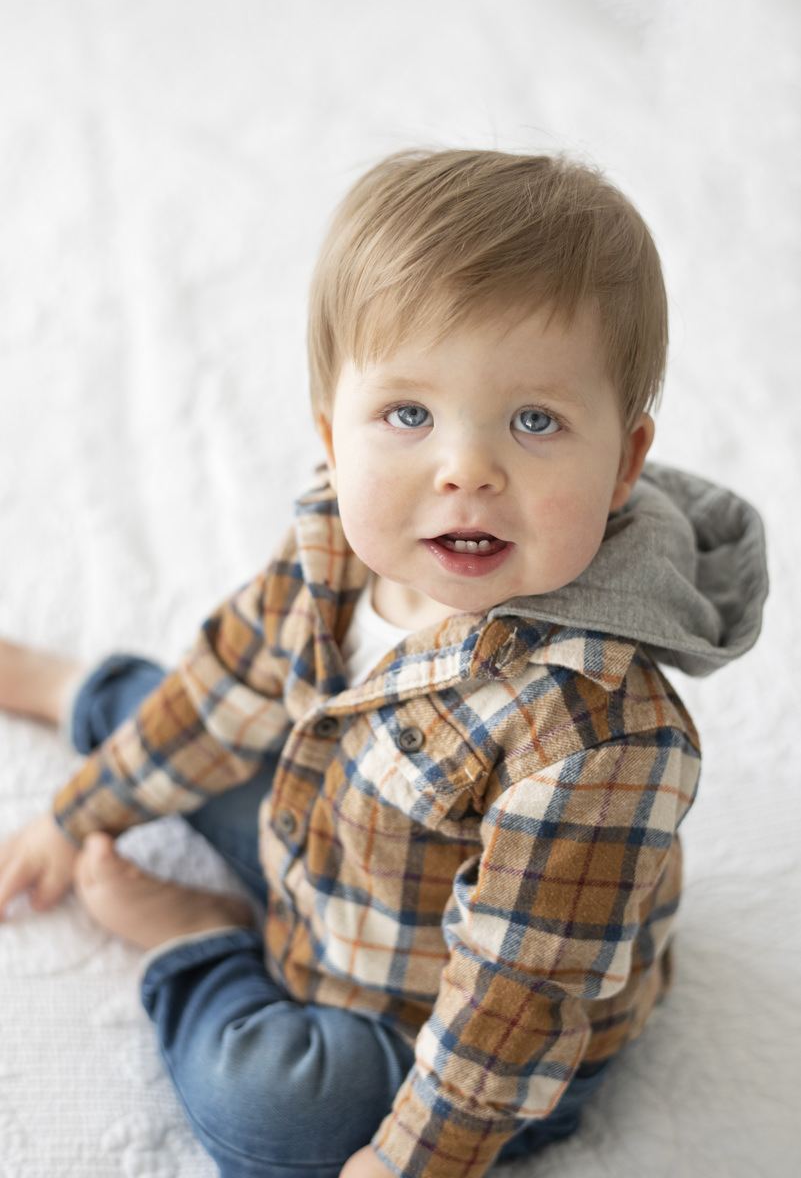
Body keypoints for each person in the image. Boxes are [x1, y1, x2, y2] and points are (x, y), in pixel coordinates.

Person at [0, 149, 768, 1178]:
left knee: (275, 1116)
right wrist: (77, 813)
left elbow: (515, 1004)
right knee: (210, 709)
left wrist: (417, 1163)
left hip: (441, 1021)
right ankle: (77, 691)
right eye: (409, 414)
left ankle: (199, 941)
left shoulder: (600, 735)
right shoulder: (335, 541)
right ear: (332, 432)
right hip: (326, 834)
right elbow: (229, 683)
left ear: (624, 462)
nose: (466, 470)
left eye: (535, 422)